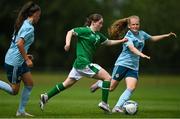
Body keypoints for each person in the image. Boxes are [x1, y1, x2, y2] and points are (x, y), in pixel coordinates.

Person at [39, 13, 127, 113]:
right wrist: (67, 44)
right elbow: (70, 32)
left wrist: (122, 41)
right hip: (83, 63)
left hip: (79, 65)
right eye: (100, 23)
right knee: (107, 78)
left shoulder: (98, 35)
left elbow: (108, 42)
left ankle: (46, 96)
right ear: (93, 22)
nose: (101, 25)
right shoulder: (85, 30)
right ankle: (104, 103)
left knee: (66, 84)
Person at [90, 15, 177, 113]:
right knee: (111, 88)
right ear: (129, 26)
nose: (135, 26)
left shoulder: (142, 34)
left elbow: (152, 38)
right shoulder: (128, 36)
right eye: (133, 24)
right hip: (122, 65)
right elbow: (132, 48)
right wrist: (142, 54)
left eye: (137, 24)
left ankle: (117, 107)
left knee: (131, 87)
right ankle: (99, 84)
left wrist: (166, 35)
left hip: (134, 67)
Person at [0, 1, 41, 117]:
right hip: (15, 63)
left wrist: (25, 56)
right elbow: (19, 44)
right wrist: (26, 59)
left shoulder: (23, 23)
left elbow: (17, 44)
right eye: (39, 15)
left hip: (18, 60)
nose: (39, 17)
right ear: (35, 14)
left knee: (29, 84)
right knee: (14, 91)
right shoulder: (29, 27)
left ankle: (21, 111)